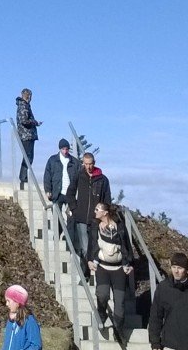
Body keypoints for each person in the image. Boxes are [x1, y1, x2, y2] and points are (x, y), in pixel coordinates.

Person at [88, 200, 134, 337]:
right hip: (102, 267)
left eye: (97, 209)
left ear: (105, 212)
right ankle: (101, 314)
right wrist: (90, 260)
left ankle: (118, 330)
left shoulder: (119, 227)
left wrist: (128, 263)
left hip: (119, 269)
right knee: (102, 294)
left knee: (119, 303)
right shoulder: (95, 226)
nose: (95, 211)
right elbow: (91, 245)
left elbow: (127, 246)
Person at [64, 150, 111, 265]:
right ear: (83, 163)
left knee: (95, 247)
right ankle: (87, 273)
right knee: (85, 247)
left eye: (90, 164)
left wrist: (105, 216)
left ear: (94, 163)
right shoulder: (79, 176)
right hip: (81, 218)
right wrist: (74, 209)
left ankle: (93, 271)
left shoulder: (102, 179)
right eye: (86, 164)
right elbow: (70, 193)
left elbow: (107, 199)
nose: (88, 167)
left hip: (96, 219)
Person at [43, 138, 79, 211]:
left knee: (71, 217)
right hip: (57, 193)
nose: (65, 151)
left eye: (67, 149)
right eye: (63, 149)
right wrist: (48, 190)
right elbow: (47, 176)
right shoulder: (52, 160)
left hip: (70, 194)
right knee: (57, 217)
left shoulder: (75, 162)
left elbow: (79, 177)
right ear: (60, 149)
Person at [15, 89, 41, 186]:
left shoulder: (24, 105)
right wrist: (35, 122)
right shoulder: (23, 106)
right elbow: (24, 120)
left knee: (28, 157)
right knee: (28, 157)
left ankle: (23, 177)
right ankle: (23, 178)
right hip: (26, 135)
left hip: (27, 135)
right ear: (28, 96)